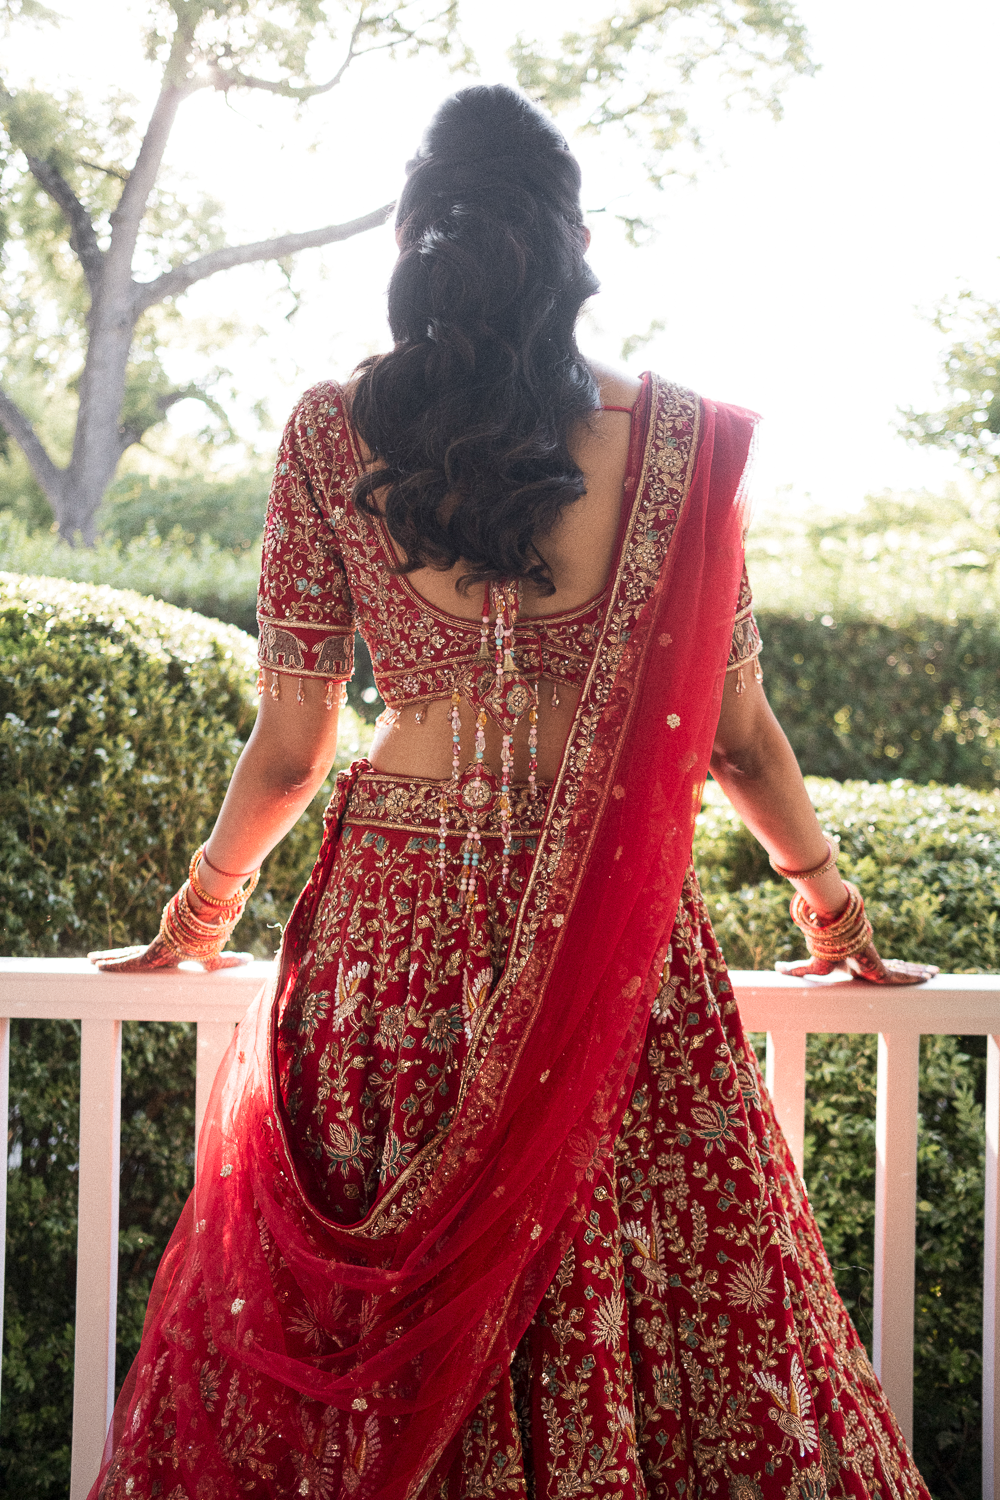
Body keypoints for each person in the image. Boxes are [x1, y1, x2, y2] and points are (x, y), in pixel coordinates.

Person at [89, 85, 936, 1500]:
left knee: (372, 1336)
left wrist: (201, 913)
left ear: (414, 241)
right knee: (634, 1282)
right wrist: (830, 906)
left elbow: (293, 750)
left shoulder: (330, 432)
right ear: (576, 244)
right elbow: (737, 740)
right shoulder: (685, 446)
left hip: (390, 950)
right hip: (607, 945)